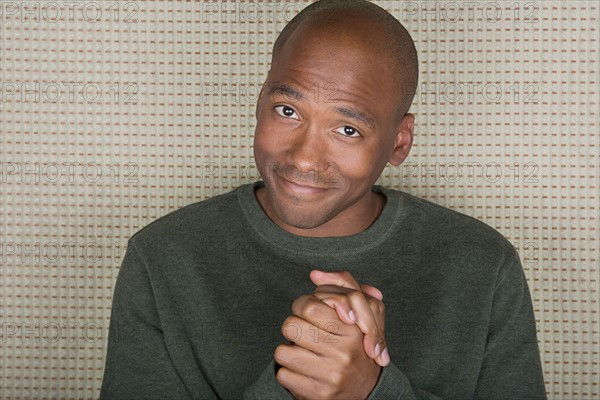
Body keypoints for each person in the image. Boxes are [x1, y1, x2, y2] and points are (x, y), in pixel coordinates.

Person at [100, 1, 547, 399]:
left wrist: (371, 389)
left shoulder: (482, 263)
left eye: (348, 129)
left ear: (399, 142)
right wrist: (295, 381)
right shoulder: (162, 257)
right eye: (288, 111)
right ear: (260, 103)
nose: (304, 159)